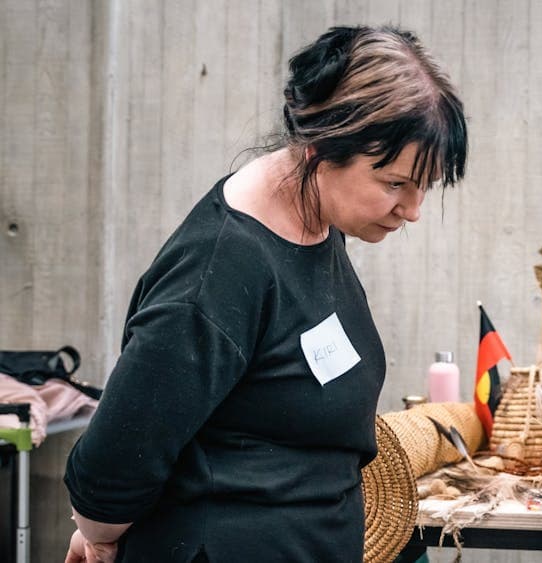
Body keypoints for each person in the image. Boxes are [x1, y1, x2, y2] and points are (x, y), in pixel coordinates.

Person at [63, 25, 467, 562]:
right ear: (321, 149)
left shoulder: (318, 223)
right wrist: (99, 534)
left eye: (425, 187)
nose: (412, 210)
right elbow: (113, 463)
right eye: (395, 183)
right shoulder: (218, 272)